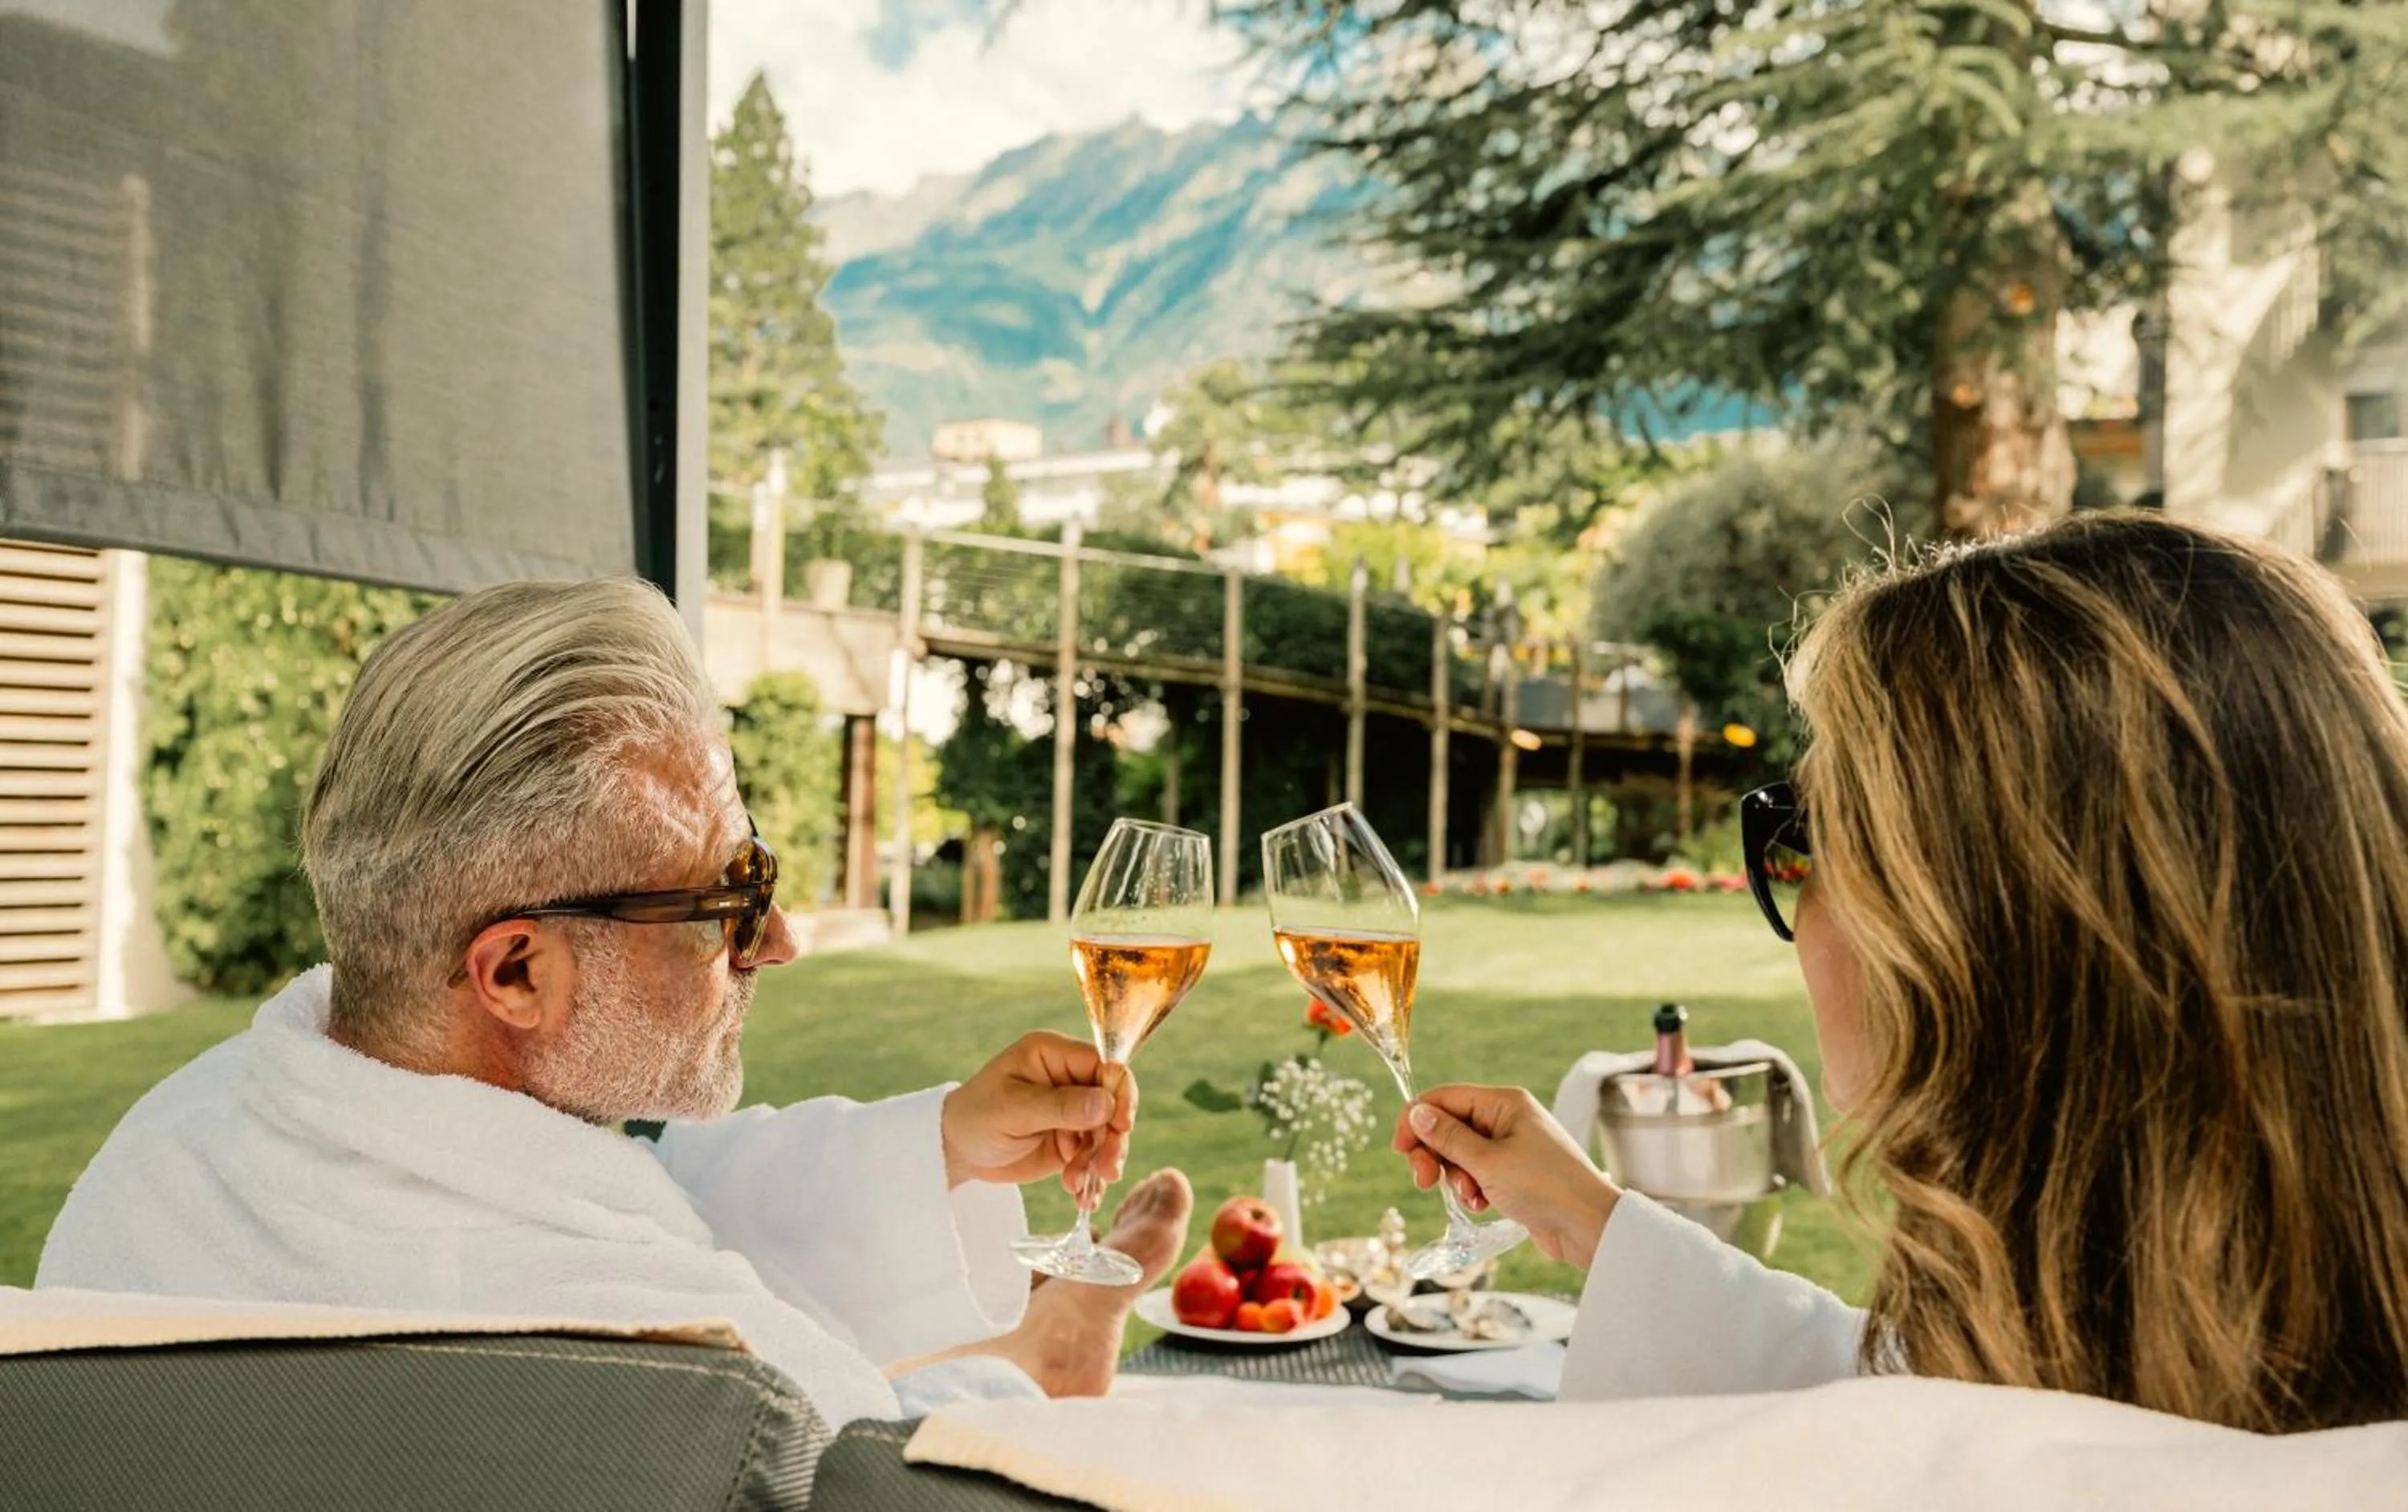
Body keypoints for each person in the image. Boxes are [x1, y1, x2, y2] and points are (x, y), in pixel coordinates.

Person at [38, 578, 1192, 1428]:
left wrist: (937, 1147)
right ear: (517, 973)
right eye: (731, 897)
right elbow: (897, 1458)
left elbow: (605, 1199)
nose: (778, 942)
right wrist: (1024, 1386)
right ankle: (1043, 1351)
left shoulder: (164, 1156)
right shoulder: (691, 1380)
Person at [1397, 514, 2408, 1433]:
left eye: (1812, 836)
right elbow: (1891, 1390)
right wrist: (1590, 1219)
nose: (1803, 913)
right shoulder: (2190, 1367)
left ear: (1979, 930)